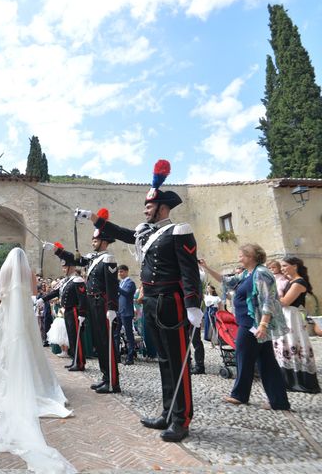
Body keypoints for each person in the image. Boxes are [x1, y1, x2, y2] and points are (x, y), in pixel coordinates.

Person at [79, 160, 202, 442]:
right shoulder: (146, 234)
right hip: (151, 304)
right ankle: (168, 412)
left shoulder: (178, 231)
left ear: (162, 208)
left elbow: (189, 269)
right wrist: (94, 219)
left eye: (149, 206)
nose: (145, 210)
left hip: (171, 303)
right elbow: (122, 233)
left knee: (177, 361)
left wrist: (193, 304)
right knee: (162, 359)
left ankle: (182, 419)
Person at [0, 248, 76, 474]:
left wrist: (7, 303)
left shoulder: (1, 270)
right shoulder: (28, 271)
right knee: (30, 348)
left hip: (5, 316)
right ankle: (32, 381)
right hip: (24, 316)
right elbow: (34, 292)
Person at [200, 244, 291, 410]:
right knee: (267, 361)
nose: (239, 258)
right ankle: (279, 401)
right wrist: (206, 268)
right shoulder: (248, 274)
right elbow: (226, 281)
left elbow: (268, 300)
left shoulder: (262, 273)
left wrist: (263, 324)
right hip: (249, 323)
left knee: (243, 356)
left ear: (250, 256)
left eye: (241, 255)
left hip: (253, 324)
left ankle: (240, 395)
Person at [47, 208, 120, 394]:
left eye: (95, 240)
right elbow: (73, 259)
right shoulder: (93, 258)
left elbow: (112, 286)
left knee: (106, 343)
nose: (92, 242)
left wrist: (112, 307)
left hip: (102, 303)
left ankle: (112, 381)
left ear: (104, 241)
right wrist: (57, 251)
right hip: (93, 303)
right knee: (99, 342)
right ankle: (105, 377)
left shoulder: (108, 258)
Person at [274, 256, 320, 393]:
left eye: (285, 266)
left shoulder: (299, 282)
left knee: (294, 345)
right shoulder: (290, 281)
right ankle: (288, 380)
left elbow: (285, 302)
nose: (282, 269)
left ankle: (300, 381)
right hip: (286, 316)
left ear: (295, 266)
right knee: (286, 345)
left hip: (292, 317)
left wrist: (272, 294)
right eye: (281, 266)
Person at [41, 246, 88, 371]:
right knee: (71, 337)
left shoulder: (77, 280)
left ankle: (80, 362)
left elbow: (83, 298)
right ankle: (75, 360)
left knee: (76, 337)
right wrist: (42, 299)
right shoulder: (67, 281)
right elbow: (56, 292)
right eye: (63, 267)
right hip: (67, 311)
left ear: (71, 267)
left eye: (65, 267)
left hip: (74, 311)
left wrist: (82, 313)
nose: (63, 269)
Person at [116, 264, 137, 365]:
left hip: (127, 312)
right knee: (116, 334)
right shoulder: (121, 283)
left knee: (129, 335)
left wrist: (117, 287)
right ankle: (117, 356)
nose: (120, 274)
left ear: (126, 271)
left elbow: (127, 293)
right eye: (119, 272)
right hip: (119, 311)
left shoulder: (130, 283)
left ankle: (130, 356)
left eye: (121, 271)